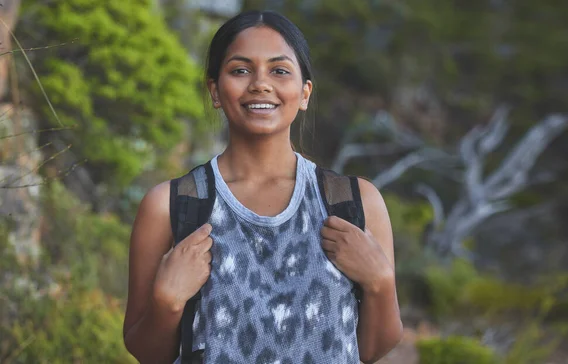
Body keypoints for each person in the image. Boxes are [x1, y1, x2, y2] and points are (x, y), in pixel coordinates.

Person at [123, 10, 403, 364]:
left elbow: (373, 349)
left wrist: (380, 282)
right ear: (214, 90)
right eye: (240, 70)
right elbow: (145, 353)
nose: (260, 83)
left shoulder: (356, 201)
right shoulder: (170, 205)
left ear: (304, 93)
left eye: (279, 70)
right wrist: (167, 302)